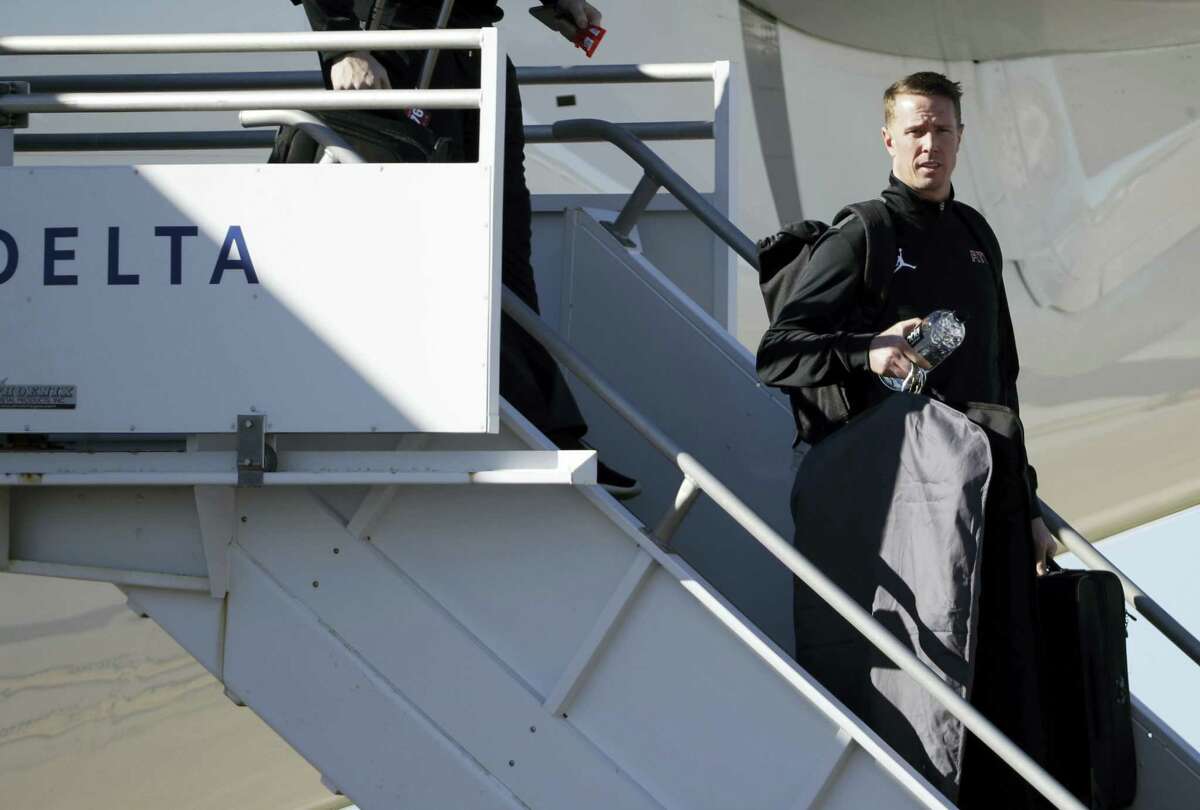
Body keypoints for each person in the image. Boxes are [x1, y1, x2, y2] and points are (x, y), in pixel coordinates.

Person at [756, 72, 1056, 807]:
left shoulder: (975, 233)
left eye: (943, 130)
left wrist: (1034, 503)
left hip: (991, 498)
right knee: (929, 687)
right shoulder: (865, 231)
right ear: (888, 138)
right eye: (916, 130)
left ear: (960, 138)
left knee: (1008, 688)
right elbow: (778, 353)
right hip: (909, 511)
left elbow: (1002, 378)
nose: (930, 145)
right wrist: (868, 351)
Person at [291, 0, 639, 498]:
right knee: (446, 245)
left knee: (504, 245)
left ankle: (549, 431)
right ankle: (523, 427)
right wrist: (344, 44)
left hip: (475, 51)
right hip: (399, 57)